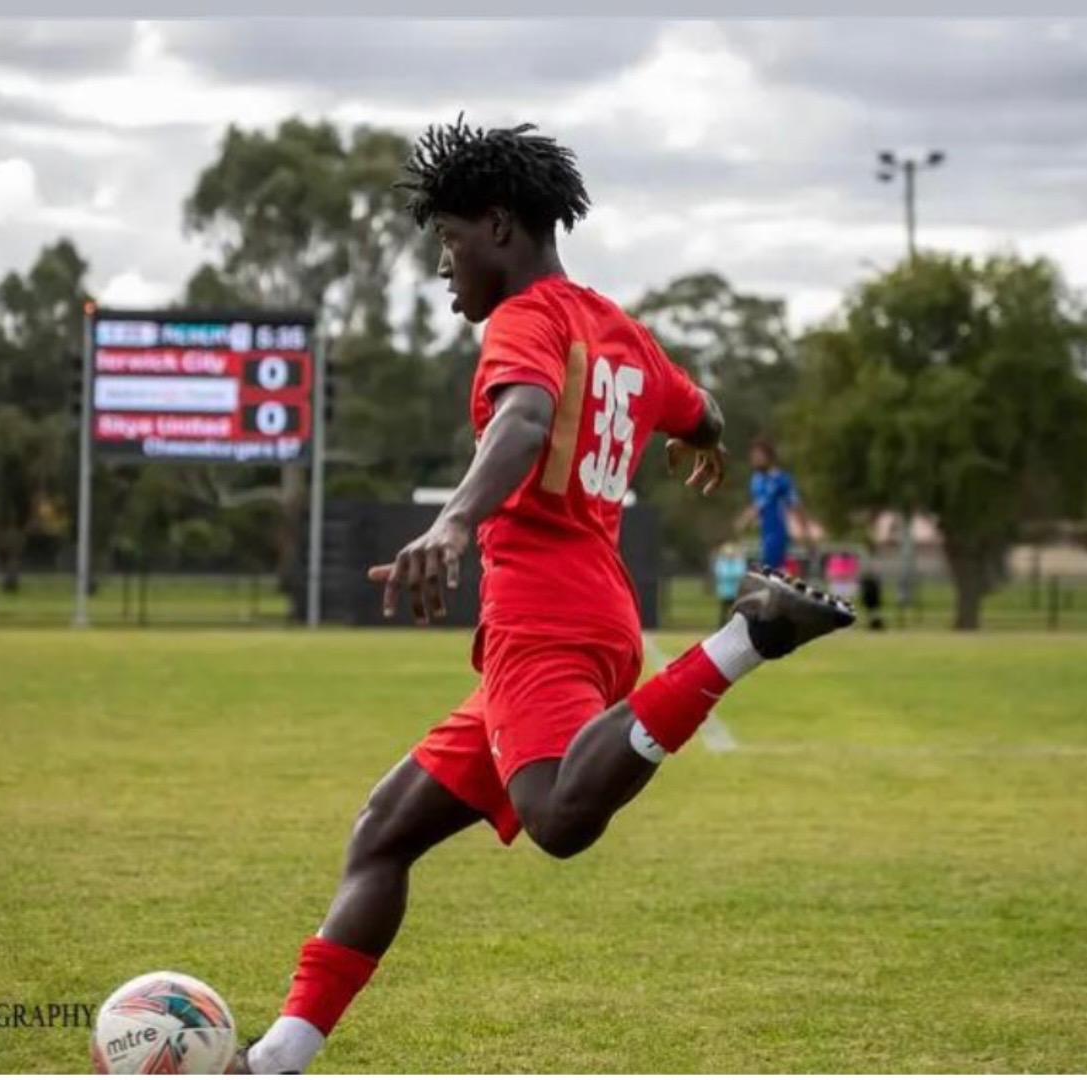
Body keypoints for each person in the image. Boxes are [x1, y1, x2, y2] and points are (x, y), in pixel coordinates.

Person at [232, 117, 855, 1075]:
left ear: (497, 226)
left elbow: (523, 418)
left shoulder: (523, 322)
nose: (443, 266)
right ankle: (274, 1058)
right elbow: (705, 410)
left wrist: (451, 521)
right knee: (383, 832)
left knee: (560, 819)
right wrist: (701, 436)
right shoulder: (624, 333)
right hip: (593, 609)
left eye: (447, 240)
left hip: (542, 614)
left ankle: (747, 636)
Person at [734, 437, 818, 574]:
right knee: (769, 572)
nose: (754, 460)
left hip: (779, 531)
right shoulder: (756, 479)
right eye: (753, 457)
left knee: (771, 571)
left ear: (769, 457)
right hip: (765, 532)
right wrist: (744, 519)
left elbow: (796, 506)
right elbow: (757, 504)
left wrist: (806, 534)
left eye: (758, 456)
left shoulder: (781, 479)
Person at [711, 542, 748, 628]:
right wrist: (732, 576)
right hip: (725, 591)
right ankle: (721, 627)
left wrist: (730, 575)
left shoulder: (738, 562)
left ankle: (735, 627)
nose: (730, 555)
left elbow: (740, 573)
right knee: (724, 611)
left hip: (736, 592)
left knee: (736, 612)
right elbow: (721, 574)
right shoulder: (721, 562)